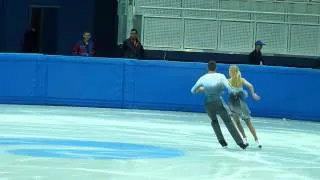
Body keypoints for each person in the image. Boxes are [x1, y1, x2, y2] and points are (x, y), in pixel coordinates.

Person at [191, 60, 248, 150]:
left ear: (208, 67)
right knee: (228, 121)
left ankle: (222, 141)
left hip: (208, 103)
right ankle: (240, 143)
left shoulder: (202, 78)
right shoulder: (221, 76)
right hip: (218, 101)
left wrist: (202, 89)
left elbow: (193, 90)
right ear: (215, 67)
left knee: (214, 121)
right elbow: (230, 88)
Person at [228, 65, 262, 148]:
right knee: (248, 123)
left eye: (229, 70)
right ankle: (257, 140)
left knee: (238, 123)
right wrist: (253, 94)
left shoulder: (228, 81)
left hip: (233, 104)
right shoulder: (241, 80)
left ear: (231, 72)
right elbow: (250, 86)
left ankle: (244, 139)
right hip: (241, 103)